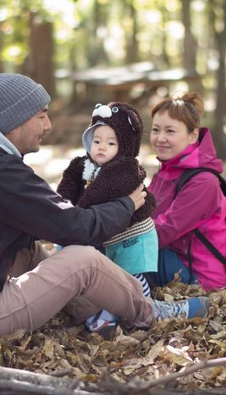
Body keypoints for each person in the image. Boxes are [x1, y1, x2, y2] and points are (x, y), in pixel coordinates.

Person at [0, 74, 210, 338]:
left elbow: (47, 218)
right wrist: (126, 204)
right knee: (83, 259)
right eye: (42, 115)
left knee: (27, 247)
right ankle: (148, 313)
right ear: (16, 120)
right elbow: (78, 228)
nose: (48, 125)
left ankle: (93, 315)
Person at [57, 102, 158, 337]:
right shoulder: (83, 165)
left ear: (123, 147)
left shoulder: (126, 169)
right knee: (109, 278)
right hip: (108, 234)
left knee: (131, 275)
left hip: (133, 236)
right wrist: (63, 207)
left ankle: (145, 309)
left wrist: (76, 215)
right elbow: (67, 187)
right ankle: (107, 311)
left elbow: (96, 196)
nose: (102, 147)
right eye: (97, 140)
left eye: (111, 143)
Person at [147, 92, 226, 291]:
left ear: (193, 136)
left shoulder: (203, 181)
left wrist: (114, 236)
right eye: (156, 130)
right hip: (172, 257)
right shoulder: (167, 171)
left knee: (118, 254)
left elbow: (165, 231)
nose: (160, 138)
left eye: (170, 131)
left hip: (200, 278)